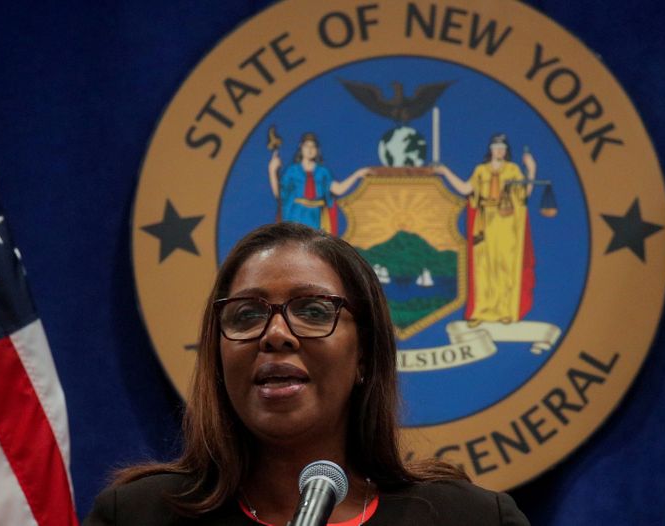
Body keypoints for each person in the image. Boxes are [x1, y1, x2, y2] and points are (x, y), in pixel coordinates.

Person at [84, 222, 530, 525]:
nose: (276, 335)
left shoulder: (471, 519)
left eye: (314, 310)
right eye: (245, 316)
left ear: (365, 357)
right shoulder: (137, 516)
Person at [433, 134, 536, 328]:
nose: (499, 150)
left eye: (502, 147)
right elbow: (465, 189)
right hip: (485, 224)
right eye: (496, 147)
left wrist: (531, 169)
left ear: (506, 150)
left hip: (506, 224)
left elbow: (524, 194)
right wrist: (445, 172)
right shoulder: (481, 171)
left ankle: (505, 310)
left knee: (505, 266)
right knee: (483, 268)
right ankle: (481, 310)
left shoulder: (513, 170)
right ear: (491, 149)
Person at [268, 133, 369, 234]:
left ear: (317, 150)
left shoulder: (323, 172)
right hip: (295, 216)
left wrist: (357, 174)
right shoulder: (292, 171)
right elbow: (280, 195)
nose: (310, 149)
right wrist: (272, 170)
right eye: (307, 146)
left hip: (315, 218)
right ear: (301, 147)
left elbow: (338, 189)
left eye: (313, 146)